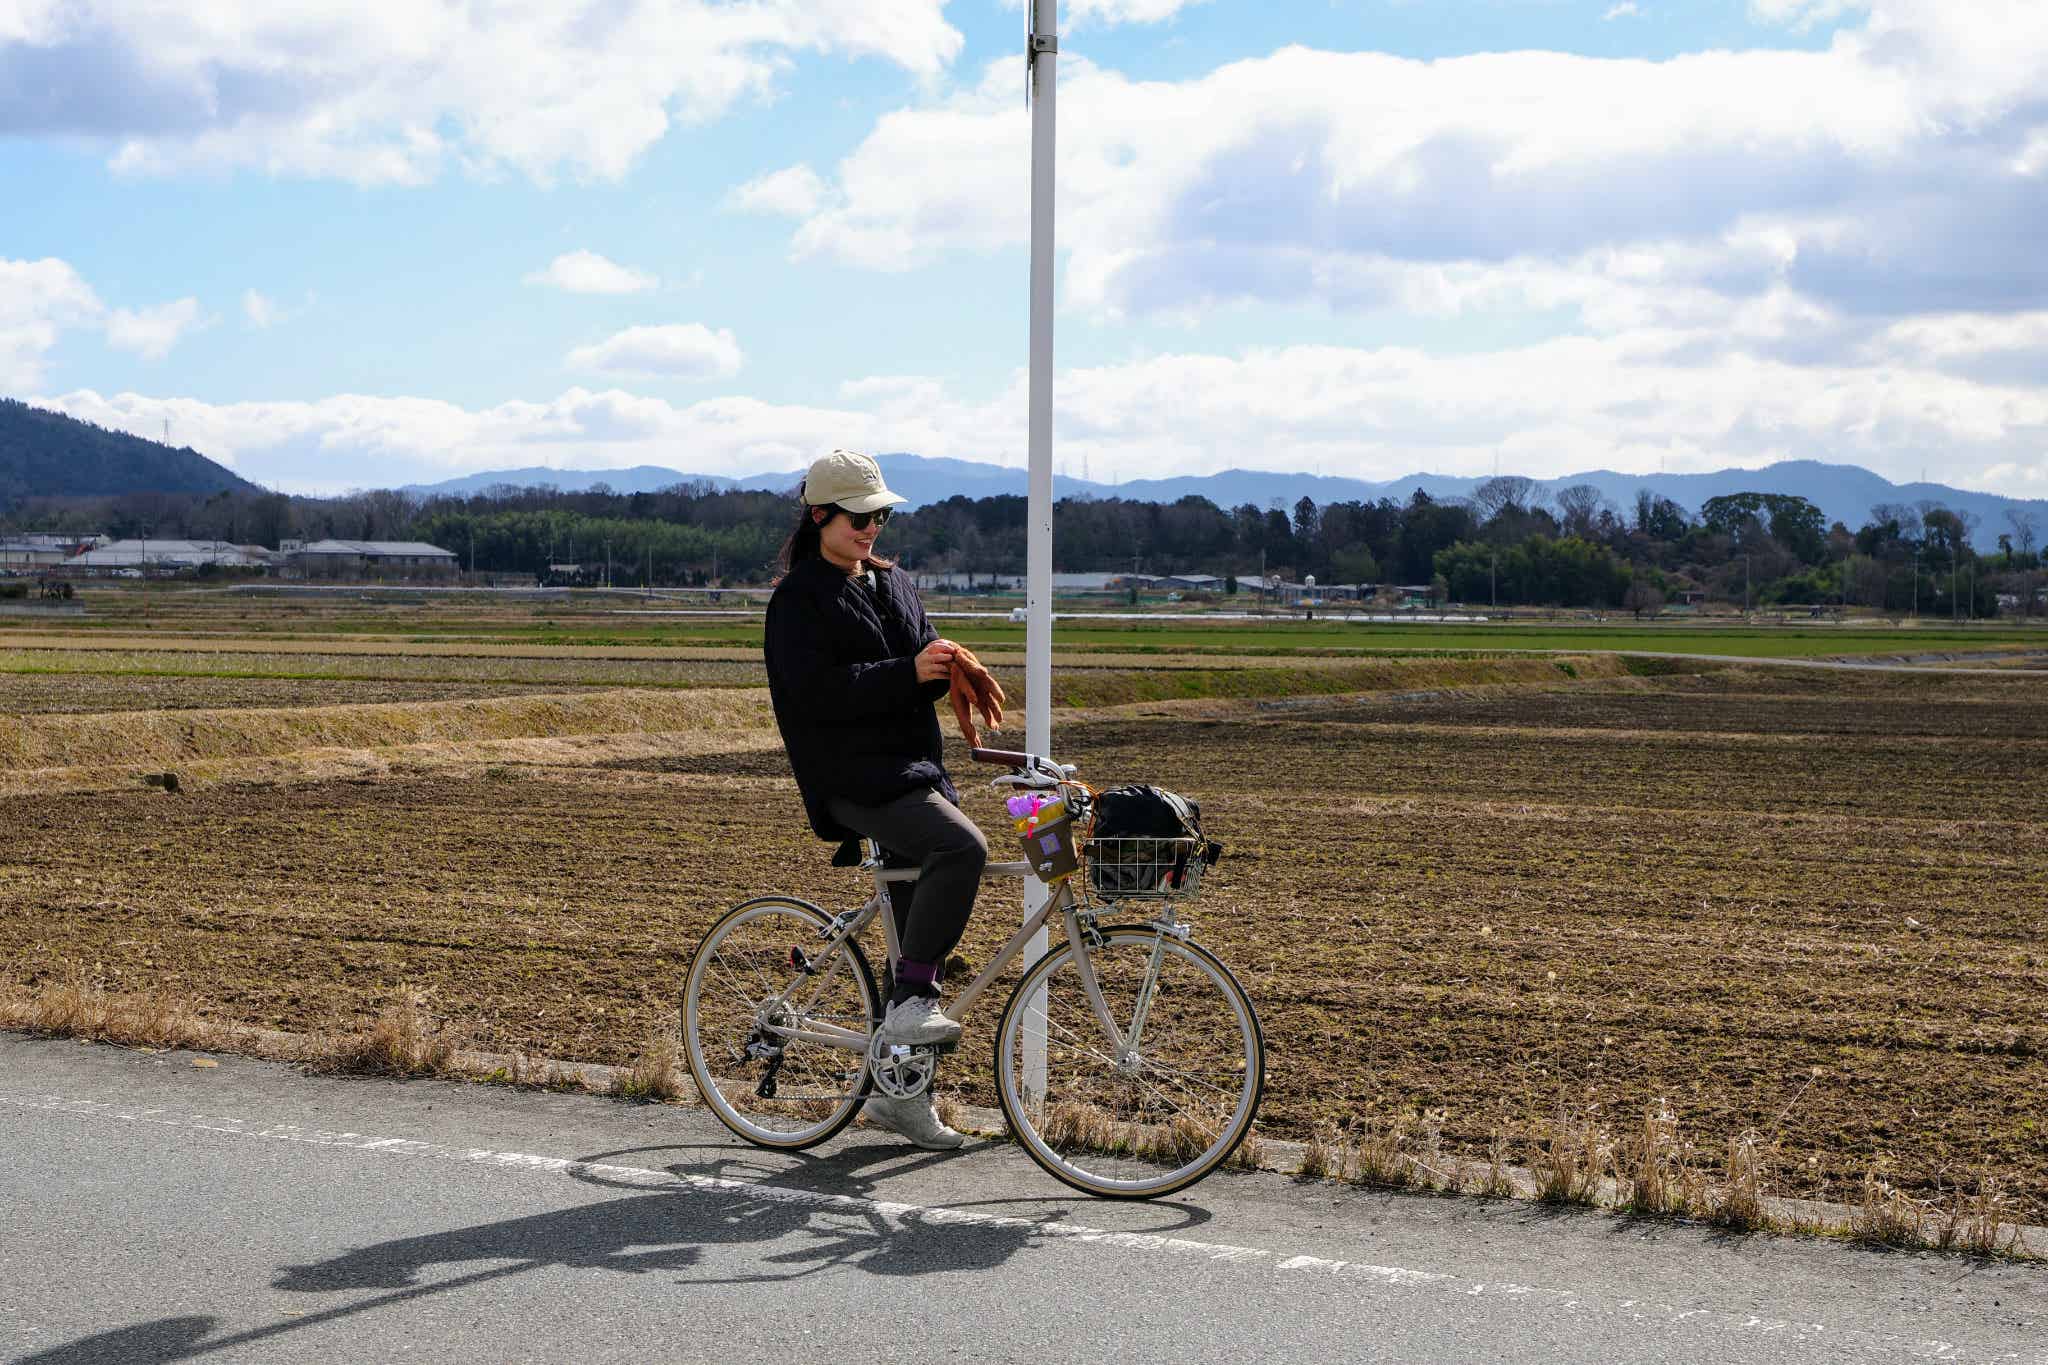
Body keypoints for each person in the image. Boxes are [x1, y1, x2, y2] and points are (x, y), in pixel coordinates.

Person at [763, 449, 988, 1150]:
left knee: (914, 934)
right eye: (861, 516)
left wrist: (946, 663)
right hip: (852, 779)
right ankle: (912, 1004)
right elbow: (821, 696)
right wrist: (907, 671)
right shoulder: (798, 599)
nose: (873, 528)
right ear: (821, 515)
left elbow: (914, 664)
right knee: (962, 847)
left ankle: (900, 1098)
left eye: (881, 515)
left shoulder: (894, 583)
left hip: (914, 771)